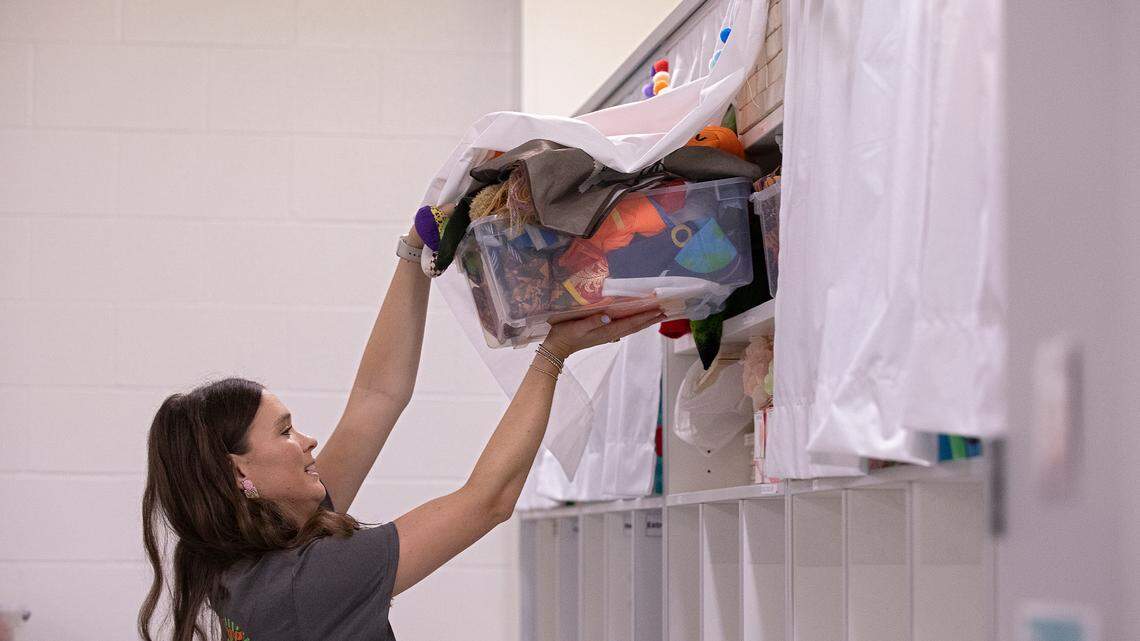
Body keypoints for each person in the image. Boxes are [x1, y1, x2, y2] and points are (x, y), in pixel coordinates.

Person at [138, 219, 666, 641]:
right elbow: (489, 500)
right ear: (239, 475)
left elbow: (376, 398)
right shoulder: (306, 583)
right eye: (285, 432)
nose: (308, 442)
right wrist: (554, 353)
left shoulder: (250, 558)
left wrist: (415, 252)